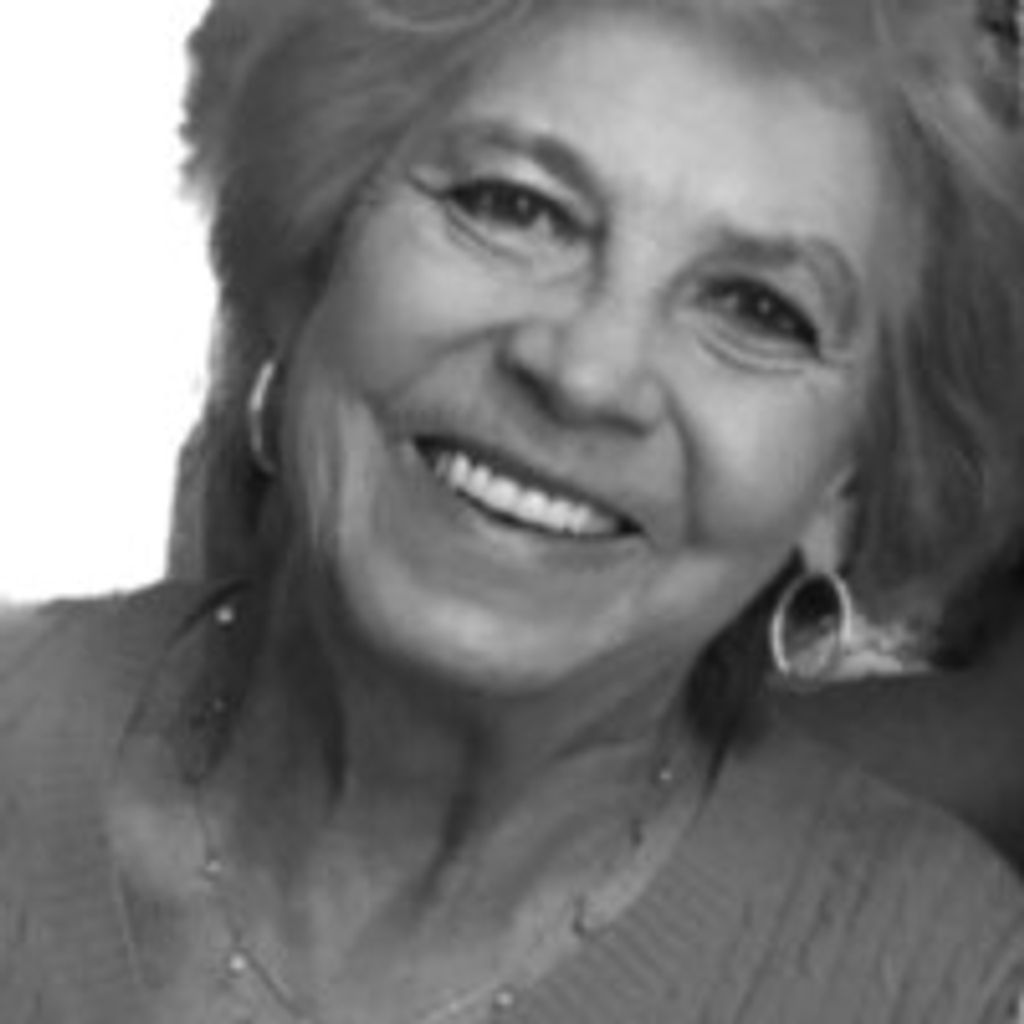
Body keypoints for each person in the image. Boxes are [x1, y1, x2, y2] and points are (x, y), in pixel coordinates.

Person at [3, 1, 1024, 1022]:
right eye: (513, 207)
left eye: (757, 310)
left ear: (850, 478)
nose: (586, 374)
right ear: (314, 247)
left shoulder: (942, 981)